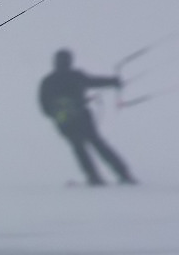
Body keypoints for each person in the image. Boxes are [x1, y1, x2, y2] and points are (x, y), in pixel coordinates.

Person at [39, 49, 136, 186]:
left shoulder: (48, 81)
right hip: (83, 118)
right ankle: (123, 174)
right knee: (98, 145)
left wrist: (57, 114)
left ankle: (94, 177)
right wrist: (114, 82)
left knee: (79, 148)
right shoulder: (75, 76)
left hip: (64, 123)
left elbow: (44, 106)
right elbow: (94, 82)